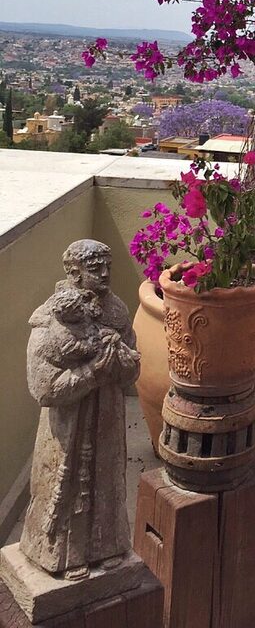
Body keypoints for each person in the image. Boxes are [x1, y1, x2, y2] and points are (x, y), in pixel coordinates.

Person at [19, 240, 140, 580]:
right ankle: (63, 555)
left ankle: (107, 548)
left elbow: (132, 369)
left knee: (106, 481)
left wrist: (120, 361)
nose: (104, 273)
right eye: (94, 268)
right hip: (68, 423)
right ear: (72, 273)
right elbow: (42, 387)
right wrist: (90, 374)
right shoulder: (51, 321)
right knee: (67, 483)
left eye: (107, 266)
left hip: (107, 418)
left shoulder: (117, 311)